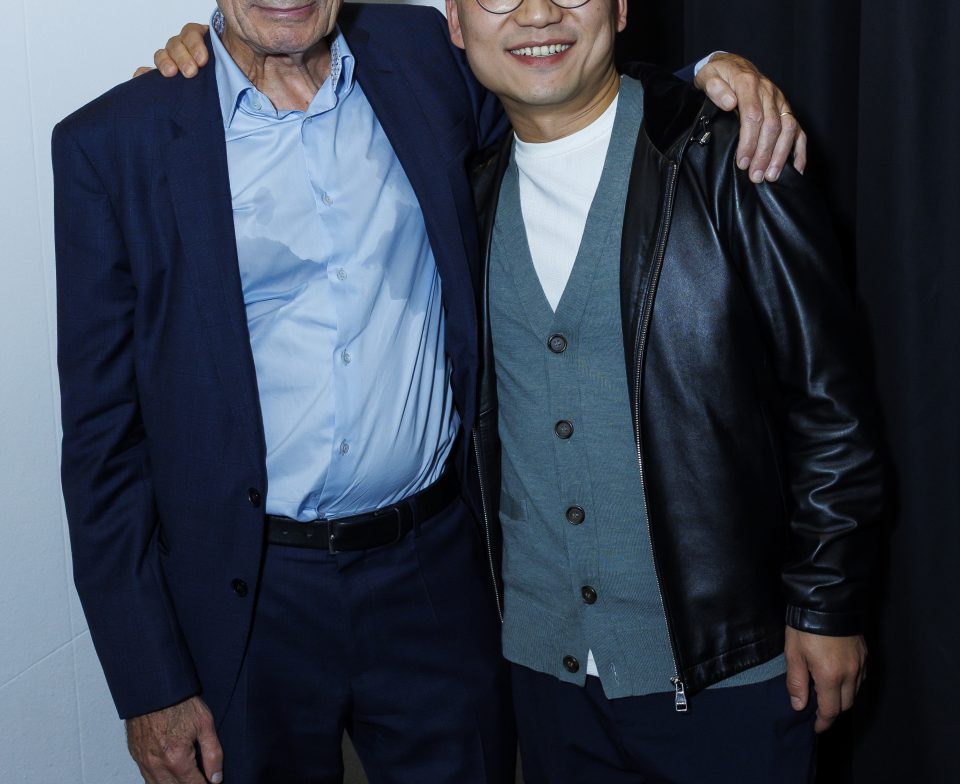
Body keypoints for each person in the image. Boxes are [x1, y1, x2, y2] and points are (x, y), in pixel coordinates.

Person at [52, 2, 802, 783]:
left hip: (433, 573)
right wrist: (150, 683)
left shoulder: (418, 54)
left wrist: (701, 80)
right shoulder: (118, 142)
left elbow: (561, 90)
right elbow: (102, 445)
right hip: (250, 593)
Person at [444, 0, 883, 781]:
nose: (538, 13)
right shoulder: (469, 193)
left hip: (730, 674)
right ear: (455, 22)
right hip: (547, 679)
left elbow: (831, 402)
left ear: (620, 7)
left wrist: (826, 603)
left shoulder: (731, 155)